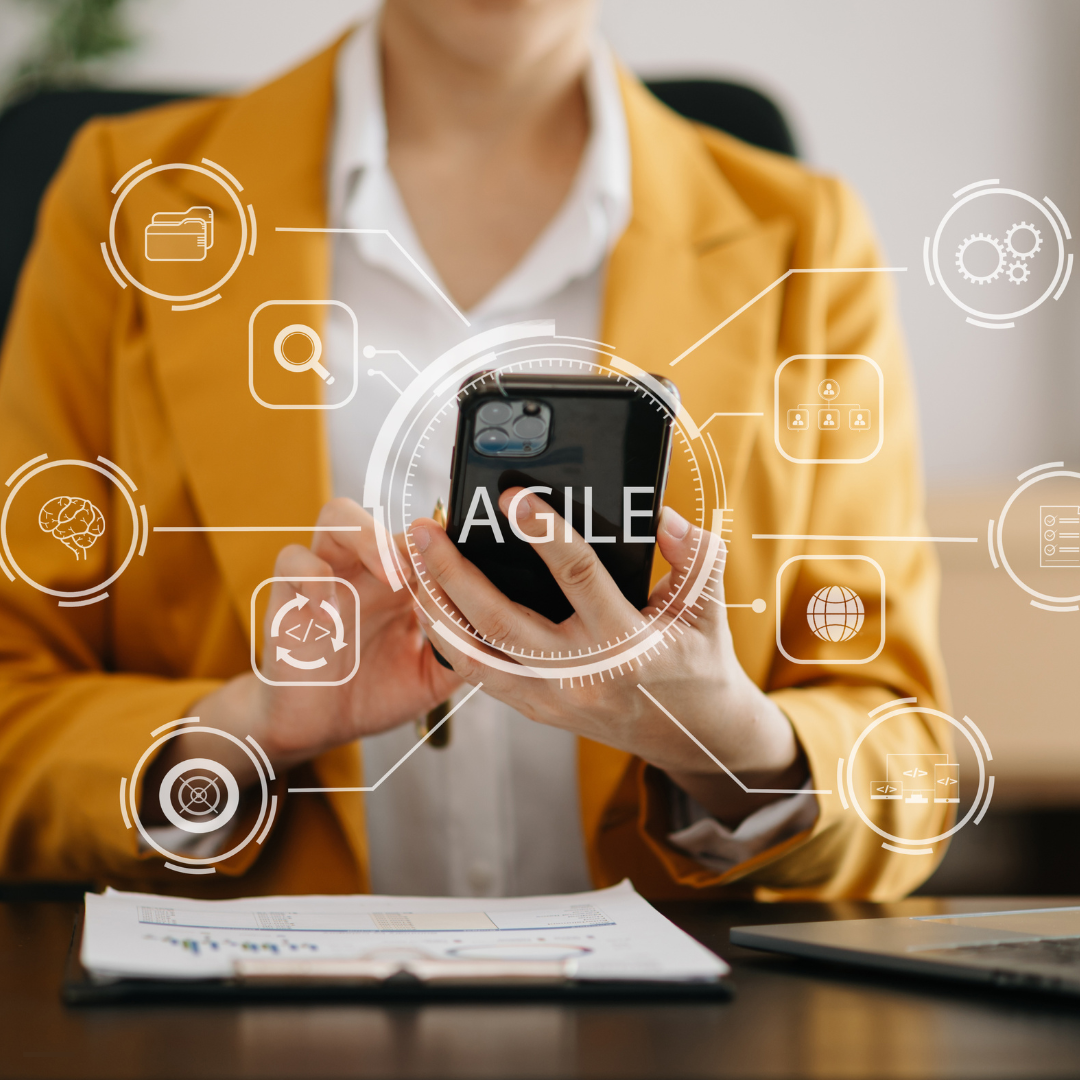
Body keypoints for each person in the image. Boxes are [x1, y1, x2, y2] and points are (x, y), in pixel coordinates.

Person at [0, 0, 949, 900]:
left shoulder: (804, 243)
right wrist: (240, 731)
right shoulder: (128, 204)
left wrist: (730, 745)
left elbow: (906, 756)